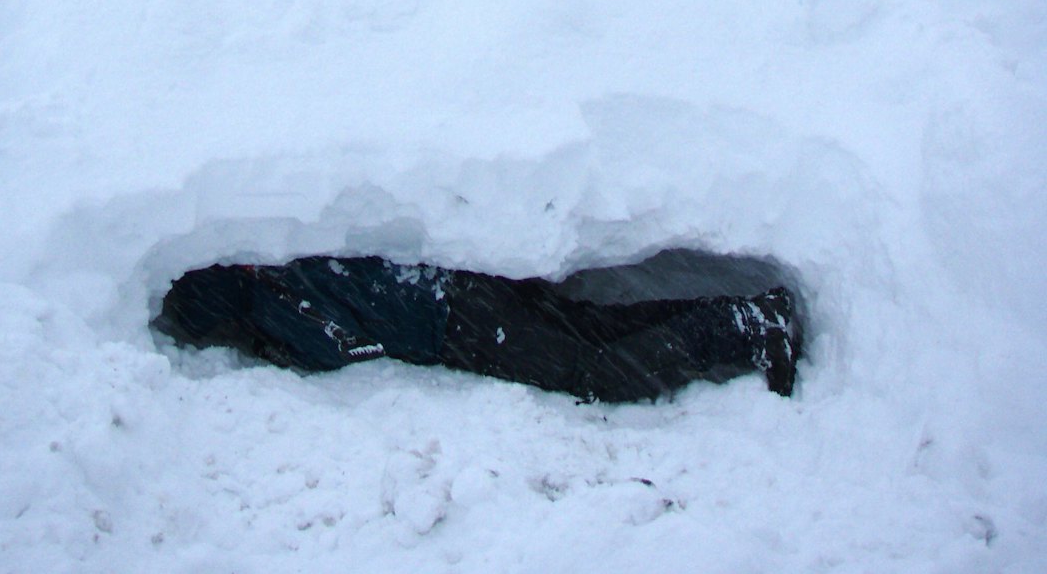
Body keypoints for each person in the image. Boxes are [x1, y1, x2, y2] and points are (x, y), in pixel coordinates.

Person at [154, 254, 802, 401]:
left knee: (597, 370)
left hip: (455, 322)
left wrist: (273, 351)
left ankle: (745, 325)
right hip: (460, 298)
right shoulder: (279, 274)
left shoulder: (275, 301)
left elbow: (342, 344)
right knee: (592, 329)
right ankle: (741, 318)